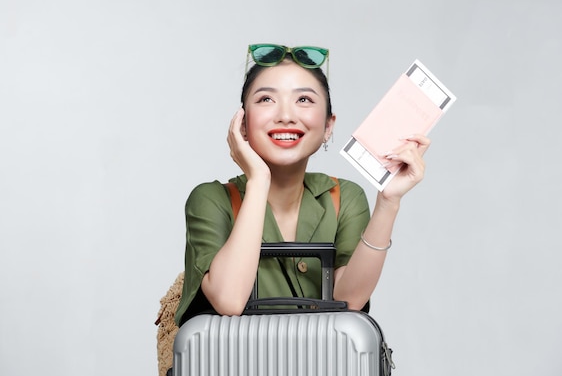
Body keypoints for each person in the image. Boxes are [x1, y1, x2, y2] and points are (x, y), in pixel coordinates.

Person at [174, 44, 430, 326]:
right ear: (242, 124)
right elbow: (230, 300)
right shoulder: (211, 200)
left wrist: (389, 202)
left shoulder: (342, 197)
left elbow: (349, 301)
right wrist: (258, 180)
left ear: (328, 127)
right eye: (266, 100)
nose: (286, 115)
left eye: (304, 100)